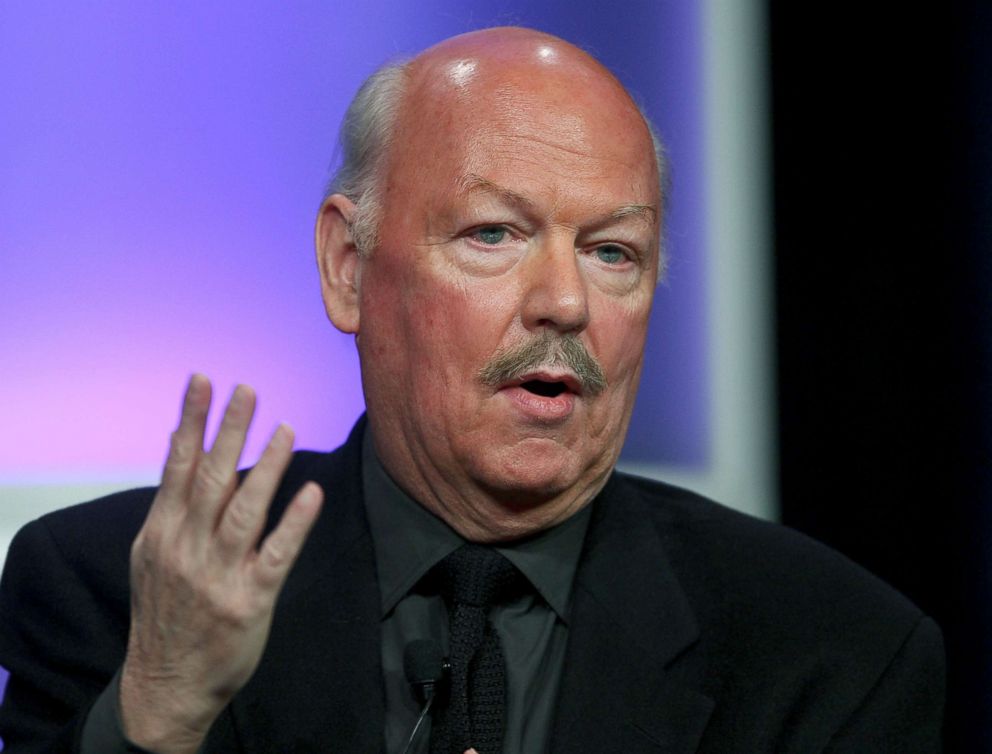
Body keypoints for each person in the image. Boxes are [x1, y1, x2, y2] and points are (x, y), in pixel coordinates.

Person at [0, 26, 944, 754]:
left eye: (613, 252)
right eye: (494, 234)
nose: (566, 302)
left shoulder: (830, 651)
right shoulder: (108, 594)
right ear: (347, 267)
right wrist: (157, 721)